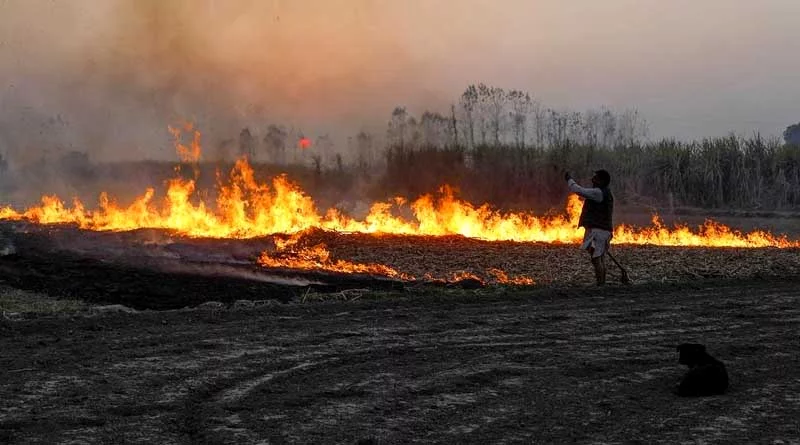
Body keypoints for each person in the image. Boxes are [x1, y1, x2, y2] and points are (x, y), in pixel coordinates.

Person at [564, 169, 614, 286]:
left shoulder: (599, 192)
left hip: (599, 231)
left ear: (602, 181)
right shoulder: (605, 192)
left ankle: (601, 285)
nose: (593, 179)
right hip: (601, 230)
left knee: (597, 259)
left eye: (595, 178)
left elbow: (579, 190)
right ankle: (601, 283)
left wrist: (569, 180)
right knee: (599, 258)